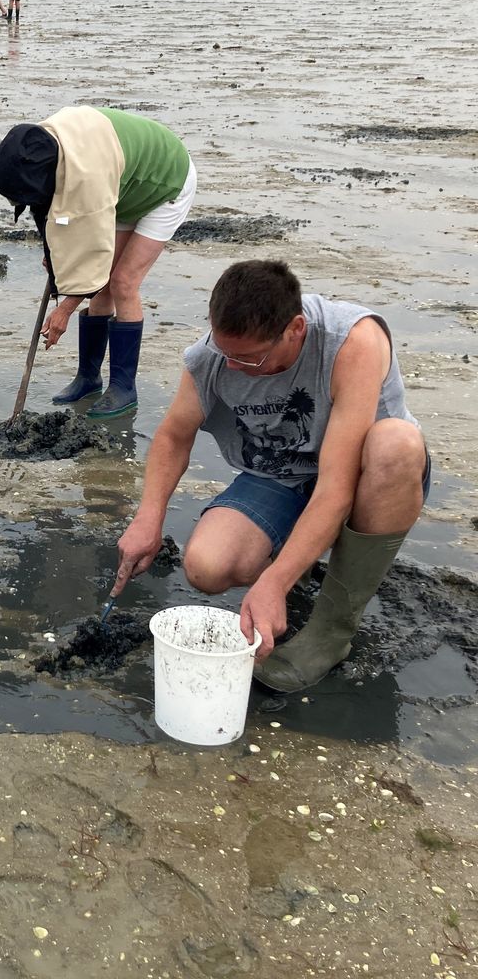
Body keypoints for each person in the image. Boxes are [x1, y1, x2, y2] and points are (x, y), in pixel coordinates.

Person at [114, 260, 428, 692]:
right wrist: (148, 518)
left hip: (366, 479)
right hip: (282, 475)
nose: (236, 367)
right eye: (227, 354)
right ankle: (299, 563)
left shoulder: (351, 342)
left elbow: (335, 489)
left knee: (397, 444)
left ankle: (332, 631)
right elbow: (172, 435)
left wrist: (273, 582)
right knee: (207, 568)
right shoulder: (213, 356)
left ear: (295, 329)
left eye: (250, 358)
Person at [0, 107, 197, 418]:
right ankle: (88, 378)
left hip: (163, 183)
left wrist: (64, 310)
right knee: (102, 289)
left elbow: (95, 255)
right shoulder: (37, 145)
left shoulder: (88, 180)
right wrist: (54, 257)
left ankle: (124, 388)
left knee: (121, 282)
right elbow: (48, 212)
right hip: (123, 183)